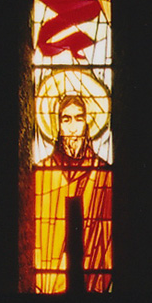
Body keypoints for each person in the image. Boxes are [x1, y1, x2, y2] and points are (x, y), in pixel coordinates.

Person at [34, 93, 112, 292]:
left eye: (79, 118)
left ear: (87, 123)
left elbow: (110, 238)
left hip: (95, 292)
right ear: (57, 124)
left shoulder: (103, 173)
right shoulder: (41, 174)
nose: (73, 127)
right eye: (66, 119)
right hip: (49, 290)